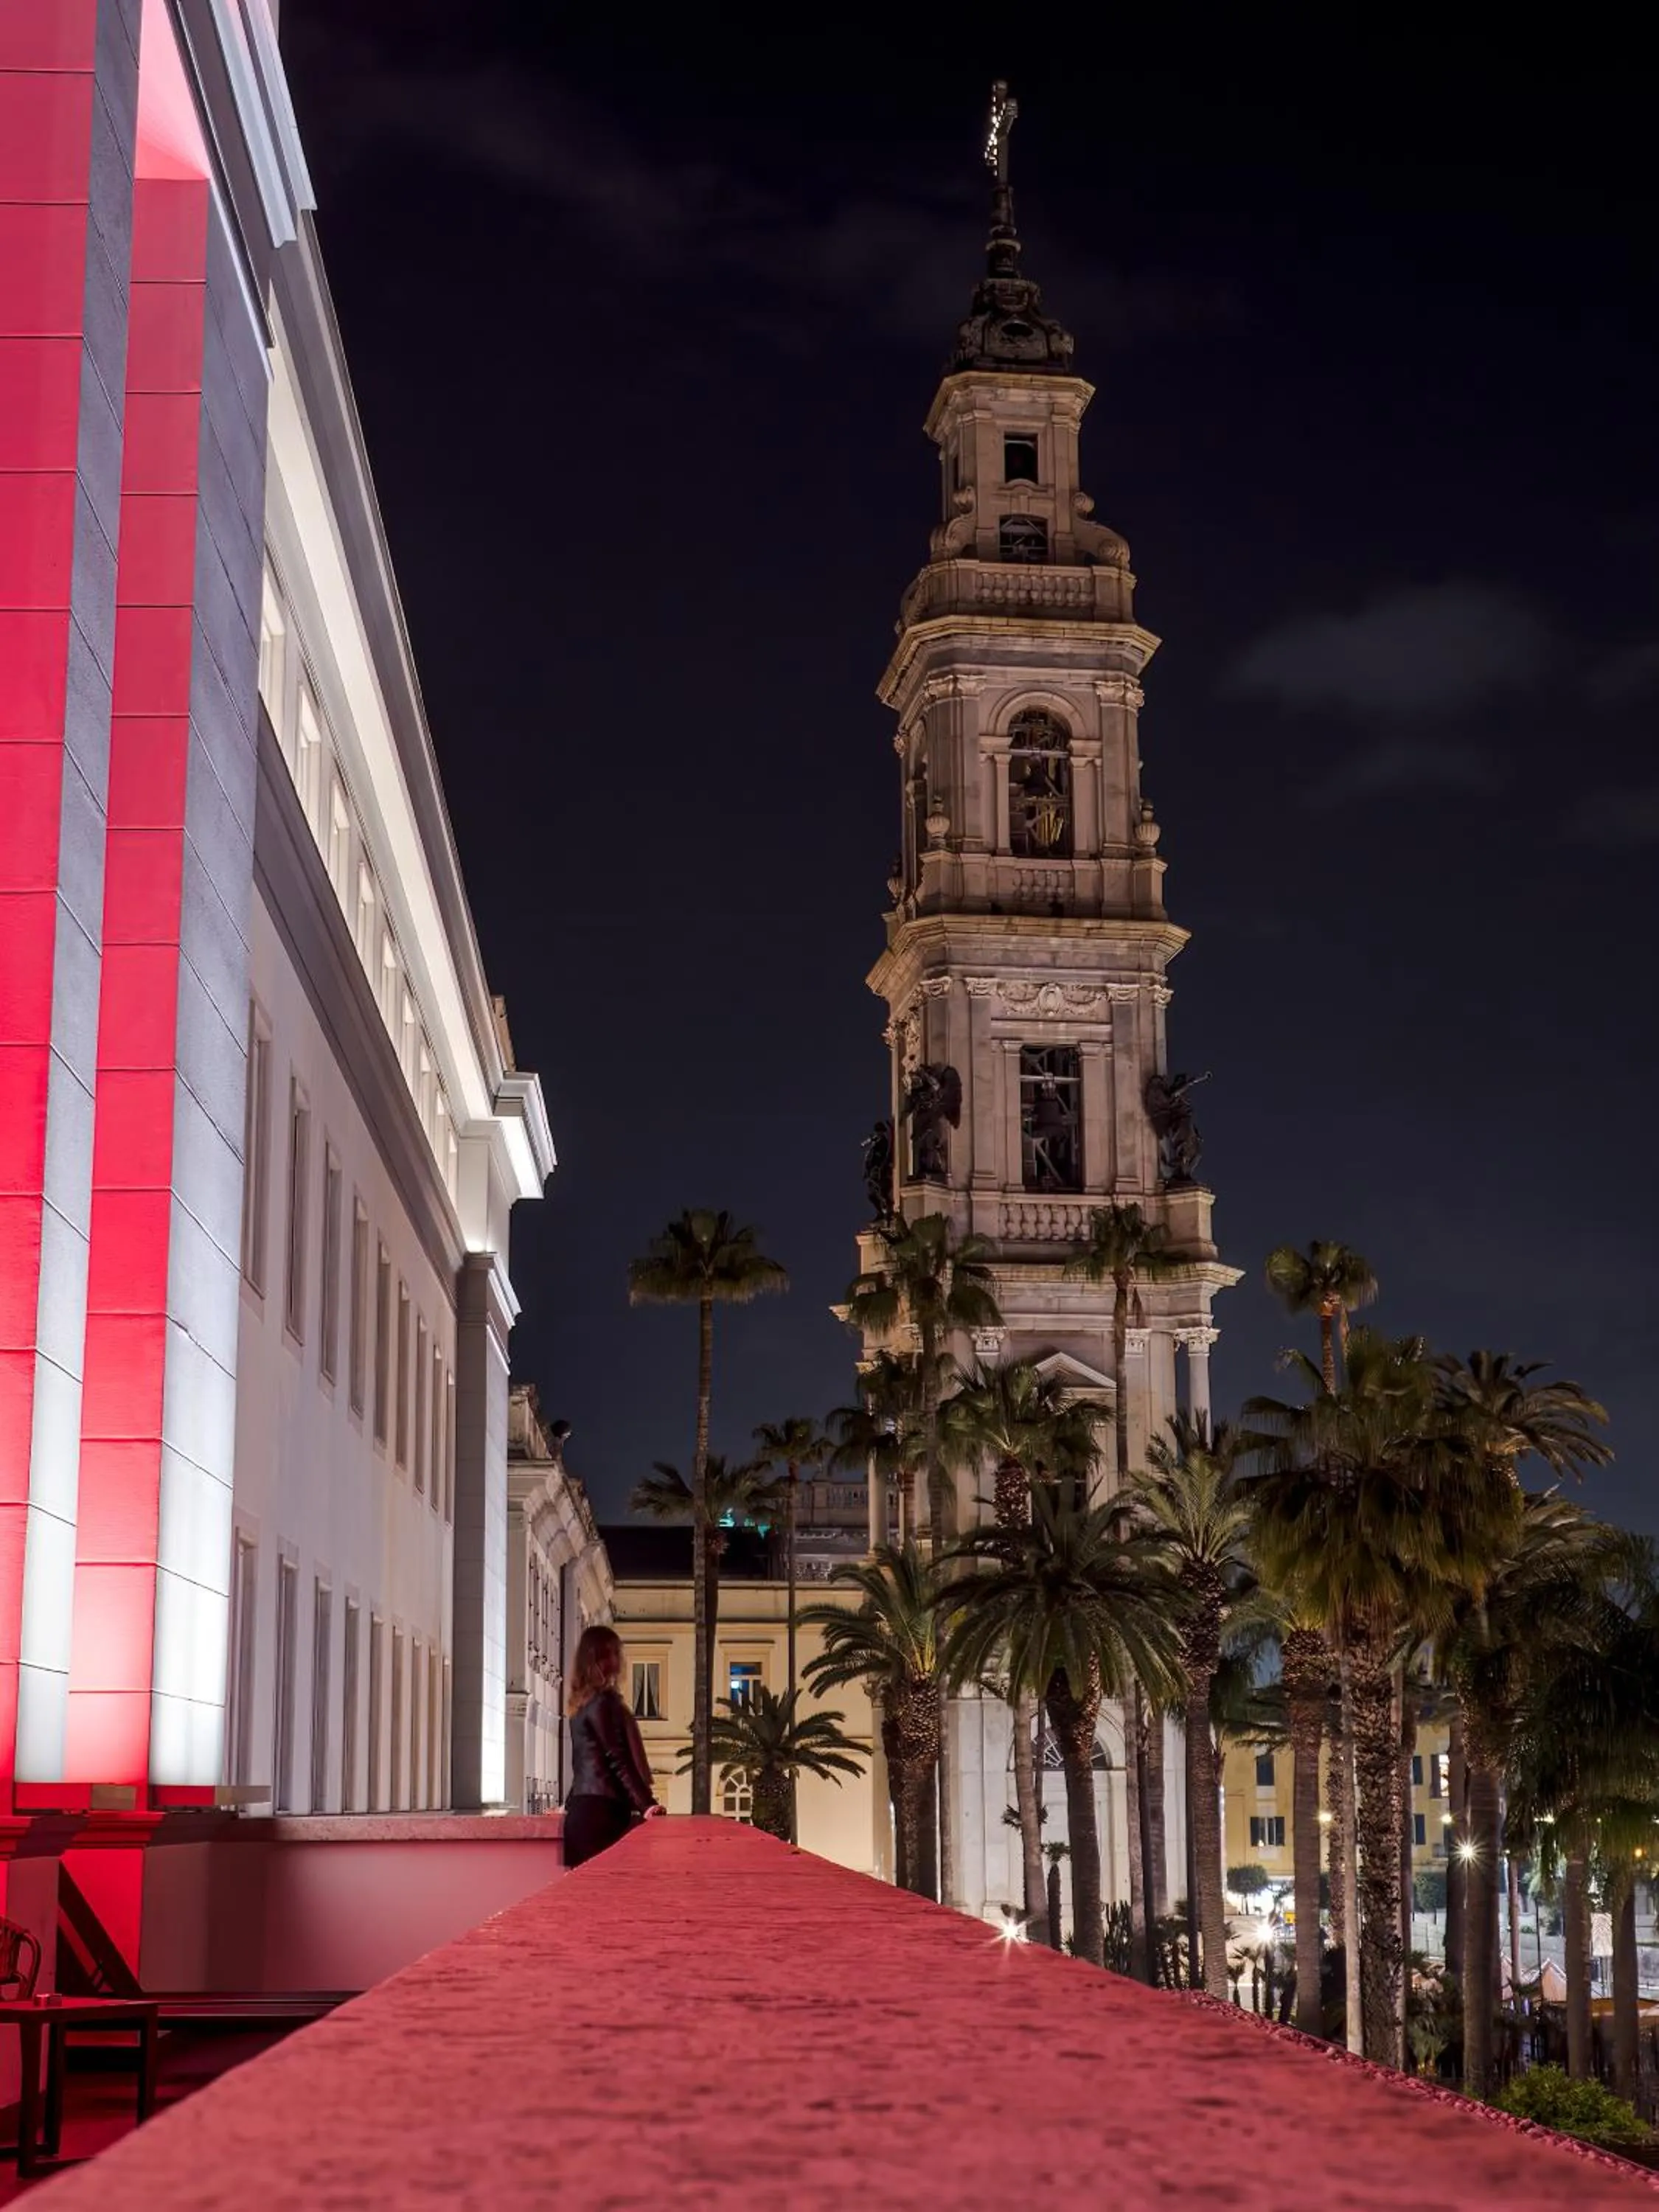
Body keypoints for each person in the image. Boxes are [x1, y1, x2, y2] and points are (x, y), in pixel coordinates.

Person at [563, 1624, 662, 1866]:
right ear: (597, 1658)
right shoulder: (603, 1702)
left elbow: (583, 1762)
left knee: (585, 1896)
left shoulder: (580, 1704)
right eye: (612, 1653)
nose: (618, 1659)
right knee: (606, 1893)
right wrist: (647, 1804)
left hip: (582, 1812)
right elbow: (617, 1757)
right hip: (602, 1814)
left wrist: (567, 1804)